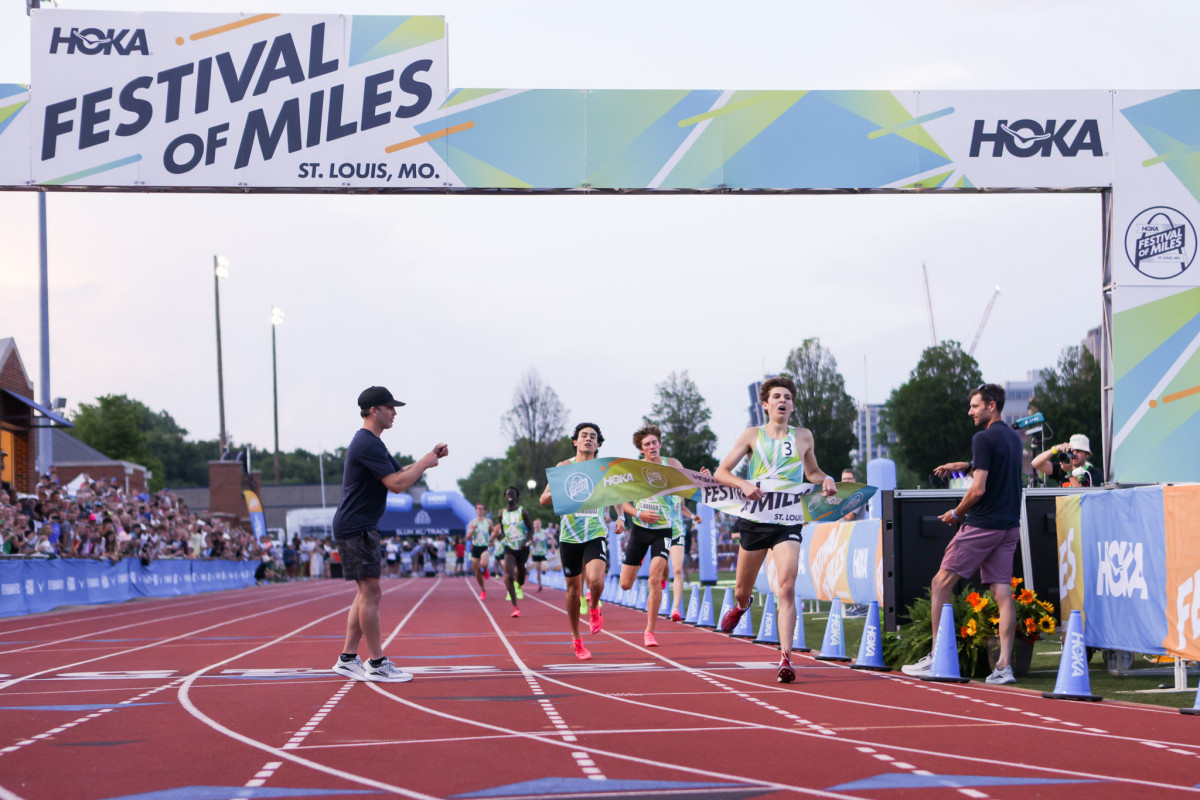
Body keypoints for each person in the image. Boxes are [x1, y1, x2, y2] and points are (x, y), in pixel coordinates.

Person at [713, 376, 837, 684]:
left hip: (788, 519)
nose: (783, 401)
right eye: (777, 397)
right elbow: (721, 472)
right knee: (742, 589)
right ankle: (743, 605)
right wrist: (743, 484)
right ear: (765, 405)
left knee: (787, 586)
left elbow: (812, 471)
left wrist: (825, 478)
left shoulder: (804, 436)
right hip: (755, 520)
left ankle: (785, 658)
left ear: (792, 405)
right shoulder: (752, 435)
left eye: (788, 398)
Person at [902, 382, 1023, 685]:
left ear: (992, 406)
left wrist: (956, 514)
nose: (970, 412)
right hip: (1009, 526)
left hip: (982, 525)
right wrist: (966, 465)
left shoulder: (982, 437)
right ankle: (1004, 667)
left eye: (975, 406)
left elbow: (978, 489)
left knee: (940, 583)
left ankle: (937, 657)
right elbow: (994, 469)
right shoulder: (1013, 437)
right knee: (1002, 594)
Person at [330, 386, 449, 684]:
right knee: (371, 593)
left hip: (358, 525)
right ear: (374, 411)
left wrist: (426, 459)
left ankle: (348, 658)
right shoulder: (367, 443)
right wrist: (424, 464)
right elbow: (396, 484)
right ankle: (377, 662)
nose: (395, 412)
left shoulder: (373, 443)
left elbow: (400, 472)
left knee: (365, 593)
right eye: (390, 407)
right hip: (357, 526)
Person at [541, 422, 624, 660]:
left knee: (596, 581)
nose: (588, 439)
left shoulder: (604, 468)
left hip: (595, 531)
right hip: (570, 536)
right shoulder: (564, 467)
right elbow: (543, 499)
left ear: (598, 444)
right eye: (583, 435)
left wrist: (620, 517)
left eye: (593, 436)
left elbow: (617, 494)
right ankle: (577, 640)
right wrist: (563, 490)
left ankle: (594, 607)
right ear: (575, 441)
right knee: (573, 590)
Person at [620, 424, 705, 645]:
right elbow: (623, 503)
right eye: (647, 444)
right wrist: (639, 513)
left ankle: (649, 631)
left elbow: (689, 483)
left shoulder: (672, 464)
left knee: (654, 579)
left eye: (654, 443)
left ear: (659, 444)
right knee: (625, 584)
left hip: (664, 529)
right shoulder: (635, 469)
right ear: (641, 449)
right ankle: (651, 563)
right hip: (640, 529)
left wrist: (703, 478)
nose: (652, 447)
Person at [493, 486, 533, 617]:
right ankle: (515, 607)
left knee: (520, 579)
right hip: (509, 547)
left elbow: (531, 529)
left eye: (513, 493)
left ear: (516, 497)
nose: (510, 495)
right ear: (505, 497)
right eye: (508, 493)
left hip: (522, 548)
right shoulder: (502, 514)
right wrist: (499, 536)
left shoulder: (523, 512)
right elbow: (503, 531)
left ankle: (519, 584)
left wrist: (526, 541)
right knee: (509, 575)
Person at [1031, 433, 1101, 488]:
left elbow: (1081, 494)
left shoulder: (1094, 472)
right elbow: (1035, 463)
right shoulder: (1062, 468)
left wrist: (1069, 472)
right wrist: (1056, 448)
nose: (1074, 454)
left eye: (1078, 451)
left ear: (1087, 454)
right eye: (1072, 451)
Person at [467, 504, 492, 598]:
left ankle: (485, 569)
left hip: (485, 546)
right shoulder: (472, 523)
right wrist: (472, 531)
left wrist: (493, 539)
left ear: (484, 510)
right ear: (476, 510)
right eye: (479, 508)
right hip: (475, 547)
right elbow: (467, 538)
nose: (480, 510)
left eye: (482, 508)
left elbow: (493, 531)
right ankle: (483, 589)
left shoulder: (488, 522)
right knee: (477, 571)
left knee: (484, 564)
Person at [529, 519, 549, 591]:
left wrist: (553, 547)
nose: (537, 525)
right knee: (538, 572)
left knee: (543, 568)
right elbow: (529, 543)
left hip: (543, 553)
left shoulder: (544, 531)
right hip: (535, 554)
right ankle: (540, 585)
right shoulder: (532, 533)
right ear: (533, 525)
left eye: (538, 523)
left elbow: (552, 538)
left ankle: (544, 570)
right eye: (535, 524)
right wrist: (534, 540)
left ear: (540, 525)